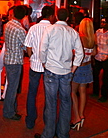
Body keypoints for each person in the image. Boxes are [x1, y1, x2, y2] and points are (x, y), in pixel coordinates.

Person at [35, 8, 84, 138]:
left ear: (56, 16)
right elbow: (80, 52)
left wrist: (44, 62)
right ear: (67, 18)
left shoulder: (49, 30)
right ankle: (63, 133)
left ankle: (48, 134)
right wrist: (74, 67)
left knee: (51, 103)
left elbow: (42, 49)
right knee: (66, 102)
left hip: (51, 70)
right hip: (66, 71)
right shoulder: (73, 32)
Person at [24, 5, 54, 129]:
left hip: (35, 65)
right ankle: (47, 121)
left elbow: (28, 46)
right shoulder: (53, 29)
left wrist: (31, 56)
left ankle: (30, 120)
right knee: (49, 95)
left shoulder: (33, 28)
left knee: (32, 93)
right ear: (51, 16)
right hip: (49, 66)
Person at [71, 18, 96, 131]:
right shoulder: (92, 38)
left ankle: (76, 116)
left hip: (79, 67)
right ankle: (81, 115)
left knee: (72, 92)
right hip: (88, 66)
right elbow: (94, 53)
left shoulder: (80, 38)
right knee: (83, 92)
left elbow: (74, 52)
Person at [3, 5, 27, 120]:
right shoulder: (21, 30)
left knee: (10, 85)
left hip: (8, 58)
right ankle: (9, 112)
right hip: (16, 61)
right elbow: (25, 46)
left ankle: (12, 108)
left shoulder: (7, 25)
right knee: (13, 87)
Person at [0, 6, 15, 104]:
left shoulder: (6, 25)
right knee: (8, 73)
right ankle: (5, 94)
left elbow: (4, 38)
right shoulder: (19, 27)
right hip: (13, 52)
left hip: (5, 49)